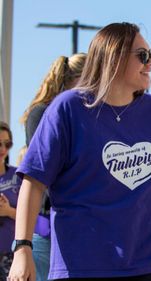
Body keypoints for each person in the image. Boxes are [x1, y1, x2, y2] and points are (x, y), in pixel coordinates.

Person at [8, 22, 151, 281]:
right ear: (113, 58)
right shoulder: (67, 109)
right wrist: (22, 248)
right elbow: (34, 181)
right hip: (81, 266)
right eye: (143, 56)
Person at [19, 53, 87, 281]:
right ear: (76, 79)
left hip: (76, 229)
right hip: (46, 229)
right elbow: (40, 172)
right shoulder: (42, 113)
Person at [0, 122, 21, 281]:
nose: (3, 149)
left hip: (12, 255)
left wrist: (8, 211)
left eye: (8, 144)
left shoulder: (17, 176)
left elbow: (36, 218)